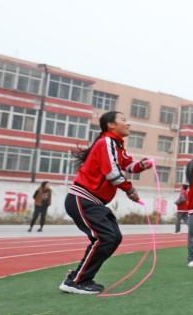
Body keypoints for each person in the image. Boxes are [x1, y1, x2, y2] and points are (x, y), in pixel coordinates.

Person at [60, 111, 150, 294]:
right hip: (83, 198)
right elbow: (112, 173)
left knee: (114, 237)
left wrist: (141, 166)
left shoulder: (117, 145)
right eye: (124, 120)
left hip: (95, 202)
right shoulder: (106, 142)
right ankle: (76, 281)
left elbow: (127, 165)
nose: (128, 123)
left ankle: (80, 277)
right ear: (111, 125)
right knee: (105, 237)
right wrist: (130, 190)